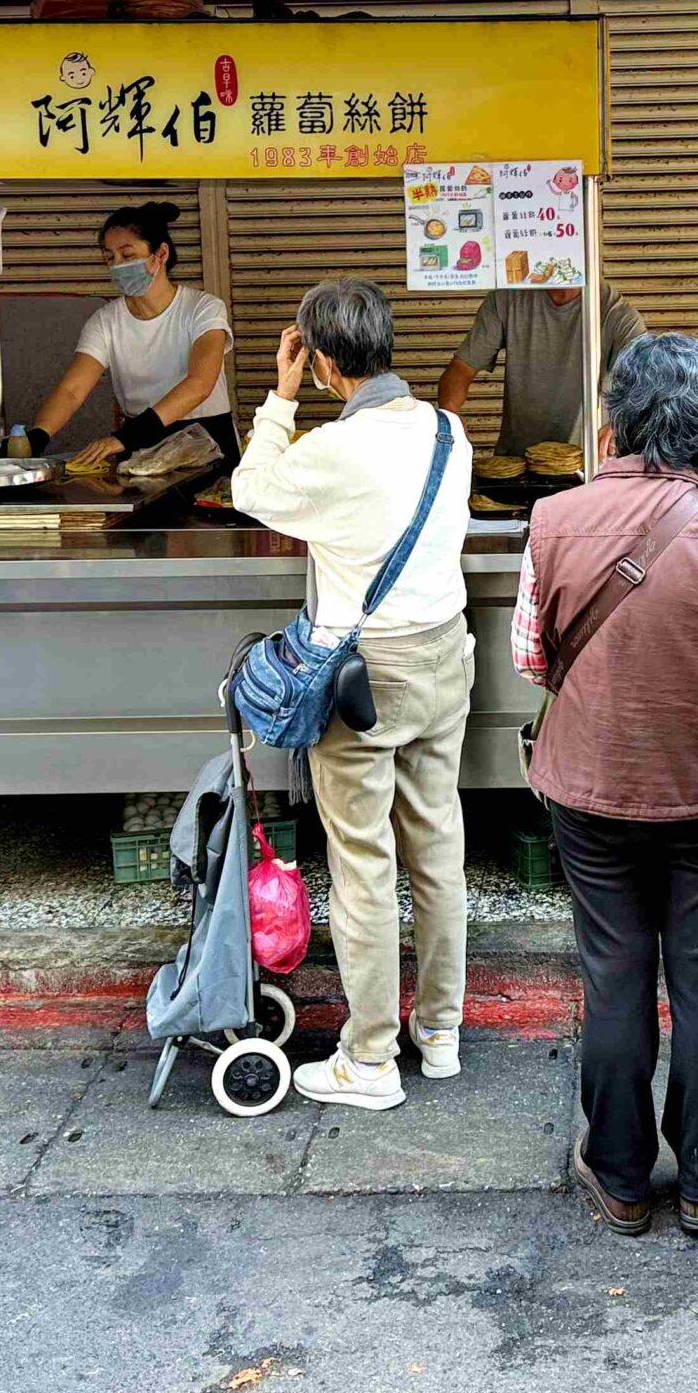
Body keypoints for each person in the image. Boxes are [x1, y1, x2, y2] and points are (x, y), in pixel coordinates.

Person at [514, 332, 698, 1237]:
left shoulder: (552, 519)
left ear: (614, 420)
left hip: (591, 789)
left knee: (614, 974)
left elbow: (529, 657)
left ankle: (621, 1177)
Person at [230, 277, 476, 1112]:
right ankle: (438, 1032)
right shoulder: (449, 430)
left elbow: (250, 491)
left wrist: (278, 397)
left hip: (364, 676)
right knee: (437, 844)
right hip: (445, 659)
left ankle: (371, 1060)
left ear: (326, 360)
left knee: (364, 863)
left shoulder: (333, 451)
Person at [17, 202, 236, 469]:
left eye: (128, 255)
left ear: (161, 254)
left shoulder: (203, 309)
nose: (118, 266)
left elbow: (200, 384)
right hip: (142, 450)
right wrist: (39, 435)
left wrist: (123, 438)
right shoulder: (106, 321)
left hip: (208, 443)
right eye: (110, 258)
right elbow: (72, 391)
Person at [437, 283, 645, 458]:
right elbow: (461, 369)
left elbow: (648, 380)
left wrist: (623, 421)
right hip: (518, 465)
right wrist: (449, 415)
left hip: (586, 465)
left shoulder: (616, 315)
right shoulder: (506, 300)